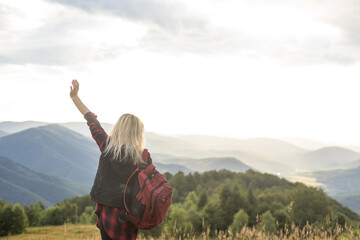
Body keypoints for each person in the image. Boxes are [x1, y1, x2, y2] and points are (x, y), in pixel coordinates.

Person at [70, 79, 144, 240]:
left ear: (118, 128)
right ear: (138, 133)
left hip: (108, 214)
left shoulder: (107, 145)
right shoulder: (142, 157)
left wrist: (75, 98)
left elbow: (92, 121)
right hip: (130, 216)